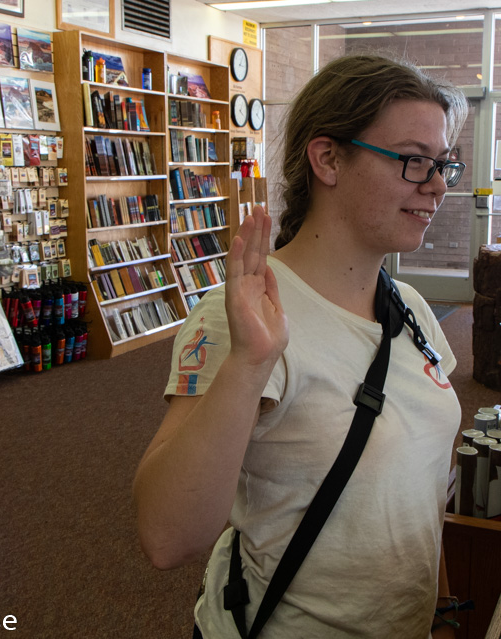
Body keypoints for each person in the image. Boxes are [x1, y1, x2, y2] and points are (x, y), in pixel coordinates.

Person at [133, 53, 469, 638]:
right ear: (328, 158)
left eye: (443, 165)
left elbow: (418, 498)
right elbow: (167, 537)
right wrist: (247, 364)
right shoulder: (244, 317)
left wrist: (439, 614)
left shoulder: (413, 312)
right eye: (415, 162)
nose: (437, 186)